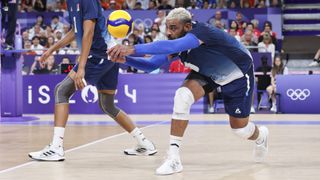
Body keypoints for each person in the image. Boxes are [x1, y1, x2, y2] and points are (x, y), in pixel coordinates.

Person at [108, 8, 269, 175]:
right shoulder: (176, 39)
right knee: (182, 96)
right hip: (208, 73)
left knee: (240, 130)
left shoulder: (202, 32)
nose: (169, 33)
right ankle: (173, 158)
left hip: (238, 73)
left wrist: (131, 49)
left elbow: (176, 45)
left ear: (187, 27)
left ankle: (261, 136)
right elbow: (151, 65)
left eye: (173, 28)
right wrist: (126, 59)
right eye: (167, 28)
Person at [28, 0, 157, 162]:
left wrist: (81, 67)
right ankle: (144, 143)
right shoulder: (71, 2)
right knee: (107, 104)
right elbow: (77, 31)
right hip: (109, 55)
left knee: (62, 91)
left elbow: (88, 33)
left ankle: (56, 148)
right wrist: (51, 49)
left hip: (98, 56)